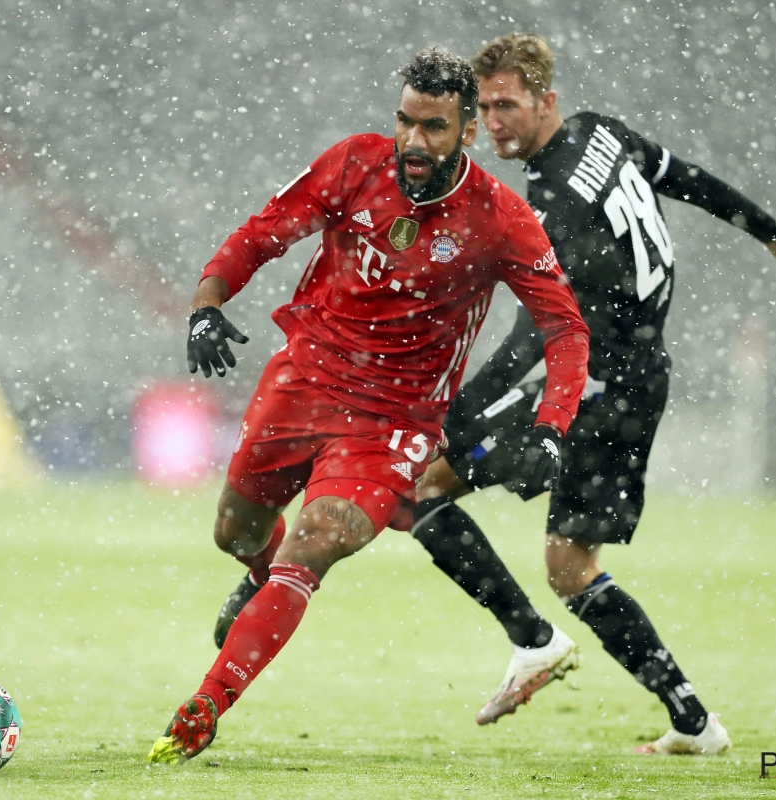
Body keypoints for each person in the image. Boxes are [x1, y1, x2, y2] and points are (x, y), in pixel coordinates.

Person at [147, 46, 590, 765]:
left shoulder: (501, 219)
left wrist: (552, 429)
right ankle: (259, 582)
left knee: (319, 538)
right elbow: (263, 233)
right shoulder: (353, 164)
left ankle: (207, 703)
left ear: (468, 130)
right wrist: (206, 304)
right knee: (235, 532)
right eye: (406, 123)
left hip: (394, 423)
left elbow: (565, 327)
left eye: (435, 128)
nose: (414, 143)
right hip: (305, 380)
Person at [407, 33, 776, 755]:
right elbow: (685, 177)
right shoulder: (603, 133)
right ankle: (695, 723)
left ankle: (533, 641)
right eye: (486, 106)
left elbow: (539, 335)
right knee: (572, 567)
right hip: (639, 375)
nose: (495, 120)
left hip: (586, 385)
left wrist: (458, 408)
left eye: (508, 104)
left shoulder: (552, 200)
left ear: (547, 101)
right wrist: (769, 230)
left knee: (419, 488)